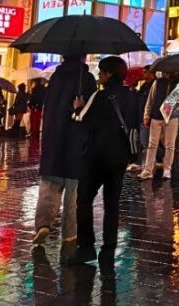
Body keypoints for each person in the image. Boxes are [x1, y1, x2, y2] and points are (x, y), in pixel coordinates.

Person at [70, 56, 138, 265]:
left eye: (101, 71)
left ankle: (86, 247)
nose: (99, 75)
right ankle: (108, 249)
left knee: (83, 201)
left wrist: (77, 108)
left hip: (96, 157)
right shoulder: (132, 97)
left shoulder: (100, 96)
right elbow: (134, 124)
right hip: (119, 158)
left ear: (109, 74)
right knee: (112, 204)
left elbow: (82, 120)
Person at [33, 55, 95, 247]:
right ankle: (69, 232)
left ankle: (43, 224)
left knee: (50, 184)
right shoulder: (87, 79)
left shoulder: (55, 78)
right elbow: (91, 111)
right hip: (77, 139)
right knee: (74, 190)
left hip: (53, 138)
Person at [139, 73, 179, 180]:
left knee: (169, 145)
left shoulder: (177, 84)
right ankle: (148, 170)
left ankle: (167, 169)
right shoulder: (157, 83)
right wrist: (146, 115)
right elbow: (151, 100)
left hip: (171, 117)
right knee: (152, 144)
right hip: (156, 116)